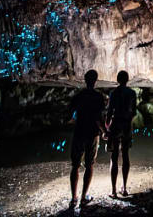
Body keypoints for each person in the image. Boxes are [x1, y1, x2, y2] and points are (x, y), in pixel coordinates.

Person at [68, 69, 106, 208]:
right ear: (95, 81)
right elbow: (98, 117)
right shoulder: (98, 97)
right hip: (92, 133)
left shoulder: (79, 96)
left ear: (85, 79)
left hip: (79, 132)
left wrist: (74, 120)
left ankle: (74, 198)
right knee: (89, 165)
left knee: (75, 166)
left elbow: (70, 114)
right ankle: (84, 197)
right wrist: (105, 131)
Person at [105, 70, 137, 198]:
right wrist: (128, 120)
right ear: (127, 79)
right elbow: (134, 111)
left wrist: (107, 126)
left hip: (116, 124)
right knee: (125, 155)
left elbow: (110, 111)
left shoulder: (114, 93)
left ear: (118, 80)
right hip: (127, 125)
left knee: (114, 157)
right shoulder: (132, 93)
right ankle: (124, 188)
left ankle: (113, 190)